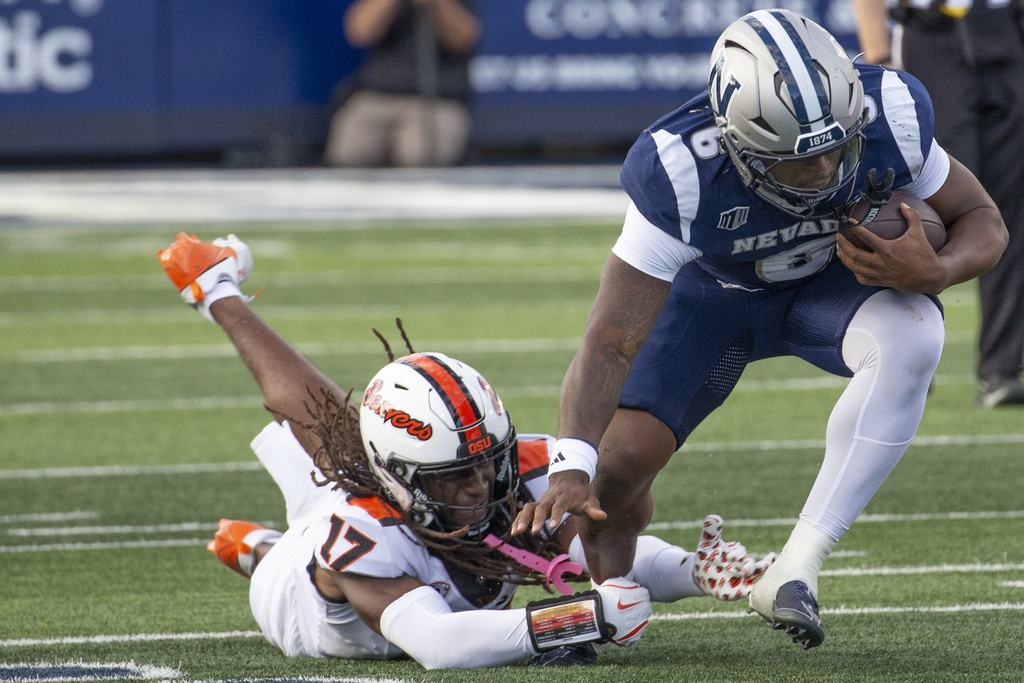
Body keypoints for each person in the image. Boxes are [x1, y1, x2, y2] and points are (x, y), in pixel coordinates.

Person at [512, 8, 1008, 651]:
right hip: (711, 304)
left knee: (916, 331)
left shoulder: (888, 112)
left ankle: (796, 567)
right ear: (737, 143)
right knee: (616, 470)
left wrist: (936, 270)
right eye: (800, 165)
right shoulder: (682, 171)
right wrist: (569, 463)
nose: (826, 173)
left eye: (837, 150)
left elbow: (982, 219)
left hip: (828, 290)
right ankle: (614, 593)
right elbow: (610, 337)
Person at [156, 233, 775, 669]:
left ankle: (214, 288)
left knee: (331, 427)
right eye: (455, 476)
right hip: (298, 601)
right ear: (399, 478)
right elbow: (436, 644)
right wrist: (583, 620)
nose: (481, 485)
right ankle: (261, 548)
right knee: (321, 438)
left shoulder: (511, 474)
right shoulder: (361, 533)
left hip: (393, 510)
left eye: (489, 462)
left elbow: (595, 550)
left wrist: (698, 573)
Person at [851, 0, 1024, 407]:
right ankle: (900, 357)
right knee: (922, 206)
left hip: (1007, 29)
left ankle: (1001, 368)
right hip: (931, 33)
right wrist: (878, 53)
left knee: (1012, 205)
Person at [323, 0, 479, 168]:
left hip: (438, 99)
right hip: (378, 95)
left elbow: (464, 38)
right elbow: (359, 33)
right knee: (350, 151)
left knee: (418, 152)